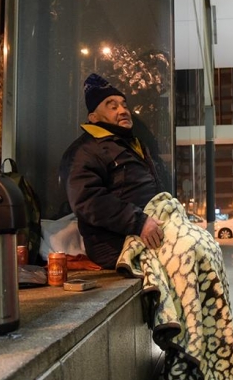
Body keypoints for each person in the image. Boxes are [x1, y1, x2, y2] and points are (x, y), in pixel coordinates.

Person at [59, 73, 165, 269]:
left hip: (146, 231)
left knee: (204, 246)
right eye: (112, 106)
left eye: (124, 105)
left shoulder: (132, 145)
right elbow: (88, 200)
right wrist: (139, 222)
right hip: (114, 243)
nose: (123, 110)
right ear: (93, 117)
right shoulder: (83, 151)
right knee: (191, 252)